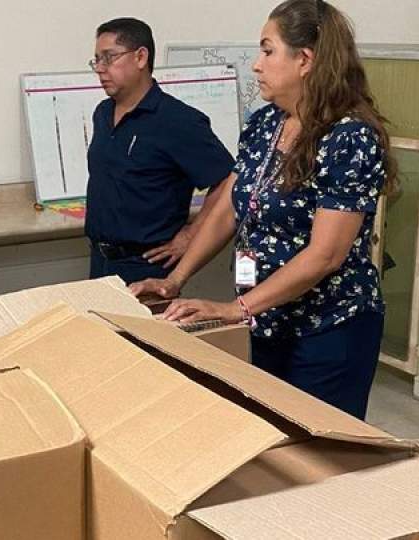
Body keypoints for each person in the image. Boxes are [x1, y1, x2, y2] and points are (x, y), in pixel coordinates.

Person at [130, 0, 396, 420]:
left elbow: (326, 254)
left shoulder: (350, 138)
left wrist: (237, 308)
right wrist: (175, 279)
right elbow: (231, 207)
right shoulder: (265, 123)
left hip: (329, 326)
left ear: (305, 59)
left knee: (320, 449)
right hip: (268, 317)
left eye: (267, 50)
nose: (257, 65)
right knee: (274, 432)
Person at [85, 18, 235, 284]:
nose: (100, 69)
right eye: (97, 60)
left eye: (109, 58)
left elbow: (227, 180)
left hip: (146, 265)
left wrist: (192, 234)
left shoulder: (177, 121)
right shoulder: (103, 113)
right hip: (100, 260)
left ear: (141, 57)